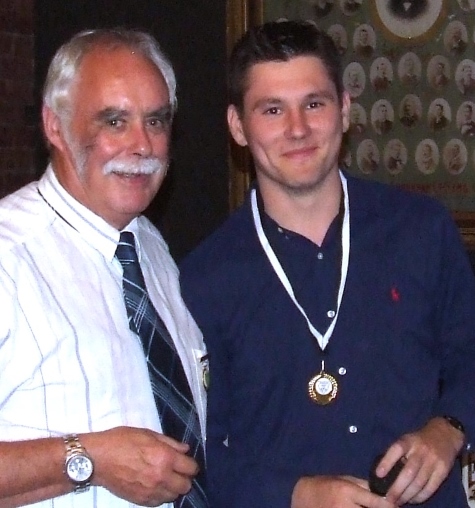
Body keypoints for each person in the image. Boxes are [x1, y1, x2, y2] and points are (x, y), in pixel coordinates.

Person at [180, 20, 475, 508]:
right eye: (272, 109)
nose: (297, 129)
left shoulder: (421, 231)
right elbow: (201, 452)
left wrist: (450, 428)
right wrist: (294, 494)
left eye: (314, 103)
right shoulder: (202, 280)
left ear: (345, 110)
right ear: (237, 125)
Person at [0, 28, 209, 508]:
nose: (142, 146)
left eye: (156, 121)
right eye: (114, 121)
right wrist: (87, 459)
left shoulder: (151, 250)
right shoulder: (9, 260)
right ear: (55, 126)